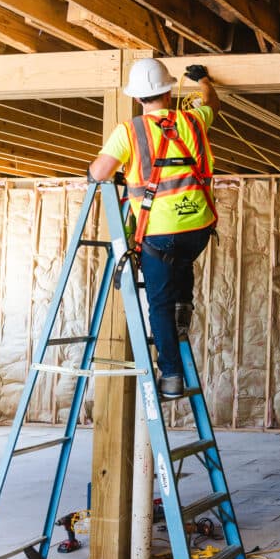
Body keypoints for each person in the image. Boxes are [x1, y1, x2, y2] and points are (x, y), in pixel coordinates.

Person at [88, 58, 220, 399]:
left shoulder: (129, 131)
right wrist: (204, 81)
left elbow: (99, 173)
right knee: (182, 261)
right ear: (168, 90)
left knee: (158, 304)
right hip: (199, 228)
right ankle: (184, 308)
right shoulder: (192, 120)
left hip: (159, 232)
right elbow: (211, 104)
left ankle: (172, 377)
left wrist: (107, 171)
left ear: (137, 98)